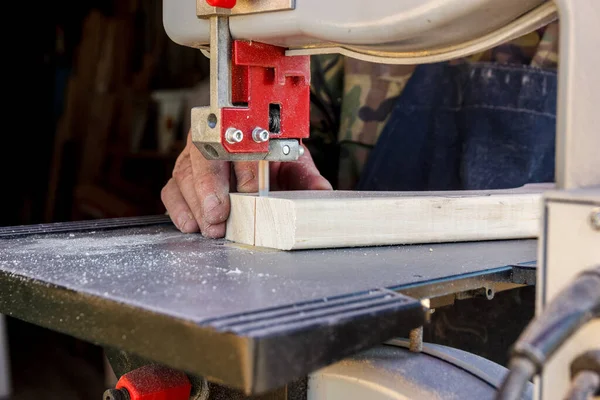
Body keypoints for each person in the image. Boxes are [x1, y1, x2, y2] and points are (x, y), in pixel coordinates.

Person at [161, 22, 559, 239]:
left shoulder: (578, 29)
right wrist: (226, 150)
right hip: (364, 332)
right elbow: (283, 137)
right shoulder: (350, 22)